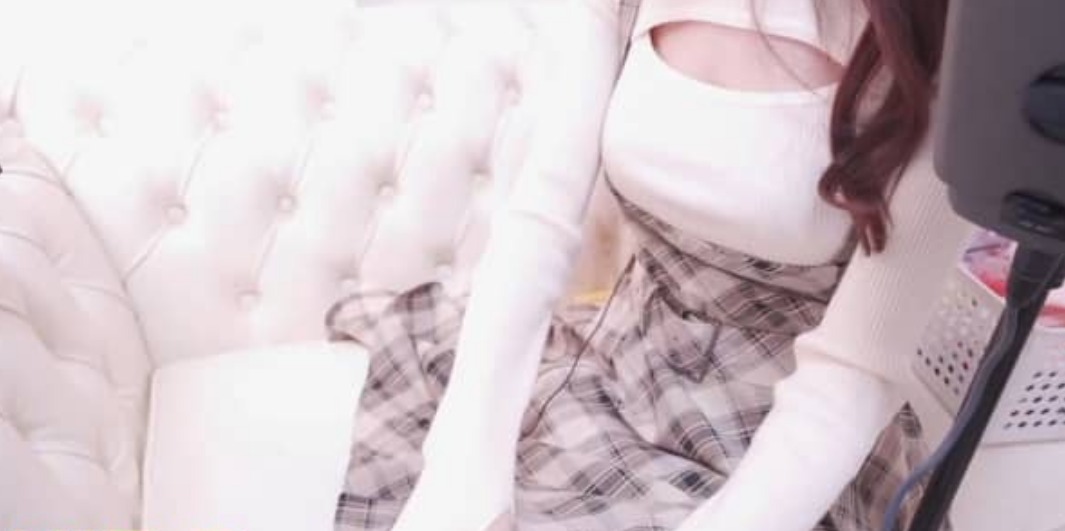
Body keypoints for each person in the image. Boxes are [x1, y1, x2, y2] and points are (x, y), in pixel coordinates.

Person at [327, 0, 975, 529]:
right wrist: (460, 488)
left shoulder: (951, 42)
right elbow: (538, 225)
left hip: (786, 441)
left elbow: (853, 376)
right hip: (618, 369)